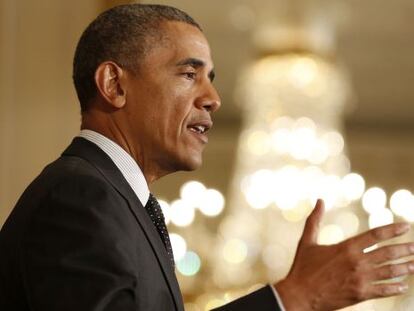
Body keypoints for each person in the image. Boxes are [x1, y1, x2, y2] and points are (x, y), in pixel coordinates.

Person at [1, 4, 413, 311]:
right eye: (188, 74)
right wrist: (294, 296)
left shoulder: (117, 202)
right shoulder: (79, 196)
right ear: (114, 84)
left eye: (210, 80)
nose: (213, 99)